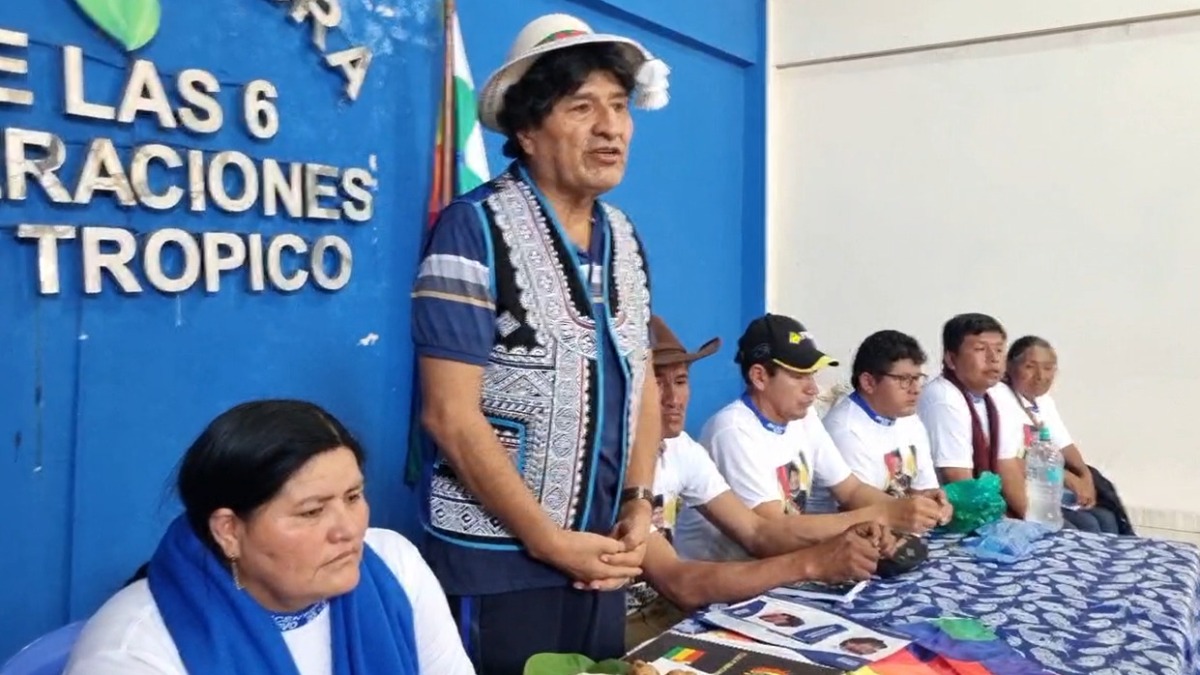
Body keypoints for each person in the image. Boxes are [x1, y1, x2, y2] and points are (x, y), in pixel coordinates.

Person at [410, 13, 671, 673]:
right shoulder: (473, 228)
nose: (611, 127)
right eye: (582, 107)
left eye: (618, 105)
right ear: (526, 129)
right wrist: (547, 539)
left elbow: (640, 376)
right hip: (499, 565)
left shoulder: (624, 237)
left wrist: (640, 500)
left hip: (601, 555)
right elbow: (449, 413)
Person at [64, 400, 473, 675]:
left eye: (353, 497)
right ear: (229, 531)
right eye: (312, 512)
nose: (348, 530)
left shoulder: (394, 567)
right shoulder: (134, 650)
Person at [624, 315, 892, 648]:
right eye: (655, 385)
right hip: (634, 620)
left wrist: (848, 537)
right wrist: (815, 561)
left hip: (688, 602)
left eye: (680, 381)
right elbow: (679, 582)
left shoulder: (680, 448)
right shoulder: (611, 464)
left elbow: (756, 532)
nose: (671, 398)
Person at [674, 313, 947, 564]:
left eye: (812, 374)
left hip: (776, 568)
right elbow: (770, 532)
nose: (813, 389)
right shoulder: (733, 431)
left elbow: (850, 490)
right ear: (759, 376)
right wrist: (883, 514)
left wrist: (910, 509)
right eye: (798, 375)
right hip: (726, 576)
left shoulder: (804, 418)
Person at [1000, 335, 1122, 533]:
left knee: (1106, 517)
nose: (1040, 376)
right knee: (1086, 525)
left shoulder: (1043, 401)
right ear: (1010, 367)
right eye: (1030, 367)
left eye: (1048, 368)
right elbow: (1007, 462)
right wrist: (1067, 477)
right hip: (1021, 493)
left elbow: (1065, 444)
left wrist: (1085, 476)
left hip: (1048, 488)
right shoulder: (1000, 398)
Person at [823, 330, 951, 516]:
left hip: (899, 527)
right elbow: (860, 509)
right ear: (868, 382)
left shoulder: (909, 419)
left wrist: (934, 501)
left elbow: (921, 490)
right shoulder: (846, 430)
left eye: (917, 378)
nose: (916, 390)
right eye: (904, 380)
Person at [917, 313, 1026, 514]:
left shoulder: (997, 394)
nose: (993, 358)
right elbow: (960, 481)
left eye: (999, 350)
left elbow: (1007, 465)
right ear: (951, 359)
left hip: (988, 506)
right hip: (952, 515)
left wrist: (1036, 520)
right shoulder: (943, 397)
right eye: (980, 349)